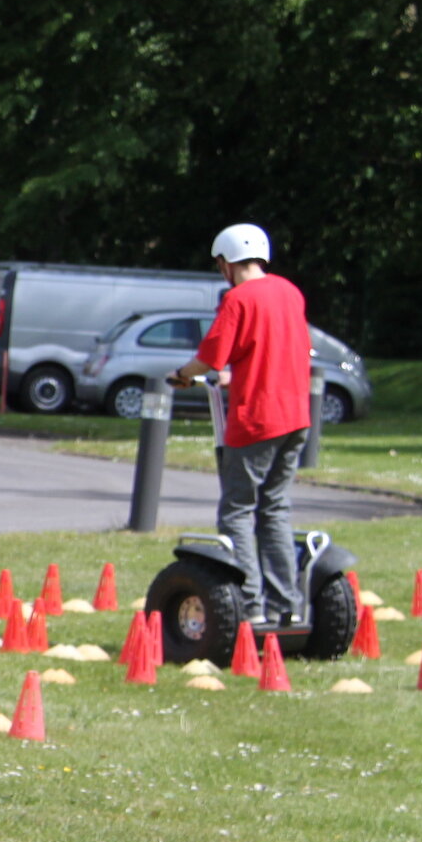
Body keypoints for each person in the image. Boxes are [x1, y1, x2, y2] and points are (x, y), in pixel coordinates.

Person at [169, 223, 312, 626]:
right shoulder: (289, 292)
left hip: (257, 419)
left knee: (236, 510)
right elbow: (273, 351)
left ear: (225, 262)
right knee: (275, 509)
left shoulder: (238, 299)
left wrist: (182, 373)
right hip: (296, 416)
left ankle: (246, 606)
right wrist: (236, 375)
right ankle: (285, 605)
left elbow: (211, 358)